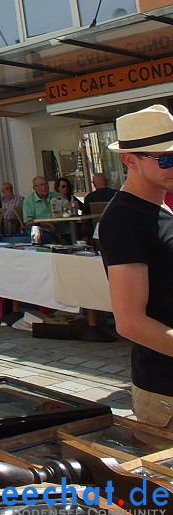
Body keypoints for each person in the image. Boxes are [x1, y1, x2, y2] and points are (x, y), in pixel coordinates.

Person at [98, 104, 173, 428]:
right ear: (130, 160)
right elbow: (129, 322)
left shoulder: (158, 205)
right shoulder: (125, 217)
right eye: (166, 158)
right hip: (166, 389)